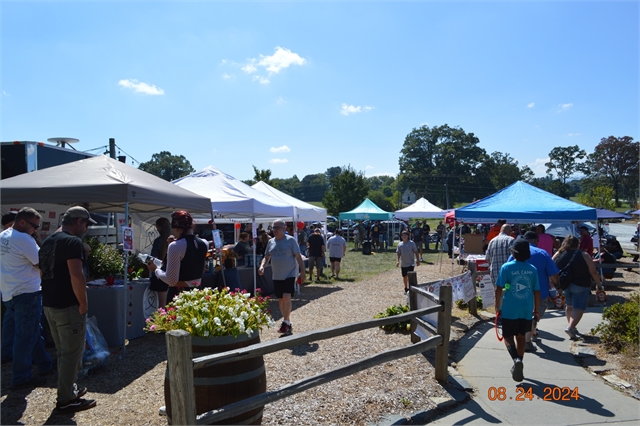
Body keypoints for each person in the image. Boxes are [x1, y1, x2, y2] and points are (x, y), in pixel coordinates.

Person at [40, 206, 97, 413]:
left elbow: (43, 272)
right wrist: (83, 303)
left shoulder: (48, 241)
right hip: (67, 305)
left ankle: (69, 389)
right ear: (79, 222)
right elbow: (76, 275)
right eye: (86, 225)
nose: (86, 229)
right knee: (71, 353)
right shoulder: (73, 242)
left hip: (49, 303)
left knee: (63, 351)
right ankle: (66, 399)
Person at [0, 207, 53, 388]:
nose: (36, 230)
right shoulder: (23, 239)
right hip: (26, 292)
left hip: (9, 291)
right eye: (34, 226)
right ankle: (21, 376)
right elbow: (41, 264)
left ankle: (45, 363)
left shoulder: (4, 235)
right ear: (22, 222)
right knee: (25, 336)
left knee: (31, 331)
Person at [495, 239, 540, 382]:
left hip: (510, 307)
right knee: (521, 336)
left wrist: (497, 305)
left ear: (513, 252)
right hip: (526, 308)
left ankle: (516, 359)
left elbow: (499, 287)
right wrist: (536, 310)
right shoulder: (532, 269)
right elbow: (537, 291)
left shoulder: (506, 267)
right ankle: (519, 360)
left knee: (508, 336)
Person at [507, 231, 559, 352]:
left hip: (519, 291)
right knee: (534, 316)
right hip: (540, 291)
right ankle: (527, 342)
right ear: (536, 240)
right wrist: (558, 286)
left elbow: (508, 267)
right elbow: (554, 274)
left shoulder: (516, 252)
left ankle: (532, 332)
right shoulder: (543, 253)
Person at [147, 211, 208, 302]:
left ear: (177, 228)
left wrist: (155, 269)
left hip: (179, 294)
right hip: (198, 292)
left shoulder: (176, 246)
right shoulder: (204, 243)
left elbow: (171, 280)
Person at [259, 219, 306, 336]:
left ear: (284, 228)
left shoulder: (291, 241)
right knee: (280, 300)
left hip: (289, 274)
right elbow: (266, 257)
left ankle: (284, 322)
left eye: (277, 227)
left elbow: (298, 257)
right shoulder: (271, 242)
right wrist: (262, 266)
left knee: (286, 297)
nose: (274, 230)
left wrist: (303, 272)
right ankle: (288, 321)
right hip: (277, 275)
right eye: (273, 228)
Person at [553, 235, 603, 340]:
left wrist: (555, 283)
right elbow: (593, 271)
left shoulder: (559, 254)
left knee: (569, 305)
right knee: (579, 307)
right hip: (581, 283)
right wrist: (599, 283)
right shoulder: (584, 255)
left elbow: (551, 266)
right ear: (577, 244)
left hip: (565, 284)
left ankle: (572, 326)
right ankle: (571, 327)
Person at [148, 217, 171, 308]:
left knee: (162, 305)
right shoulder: (173, 241)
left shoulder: (158, 241)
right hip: (171, 274)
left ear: (160, 227)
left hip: (160, 275)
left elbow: (154, 259)